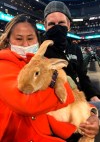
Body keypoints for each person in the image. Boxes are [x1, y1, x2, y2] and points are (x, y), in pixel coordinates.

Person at [0, 14, 87, 142]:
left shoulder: (43, 61)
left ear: (38, 41)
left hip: (53, 132)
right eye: (18, 39)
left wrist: (90, 114)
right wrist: (63, 90)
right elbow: (28, 105)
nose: (25, 44)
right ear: (8, 40)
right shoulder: (3, 64)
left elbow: (69, 85)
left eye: (30, 38)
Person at [41, 1, 100, 141]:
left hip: (80, 100)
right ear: (45, 26)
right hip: (57, 108)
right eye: (52, 24)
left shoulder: (75, 48)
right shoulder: (40, 50)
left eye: (61, 23)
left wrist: (92, 95)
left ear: (68, 25)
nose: (57, 28)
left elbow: (83, 76)